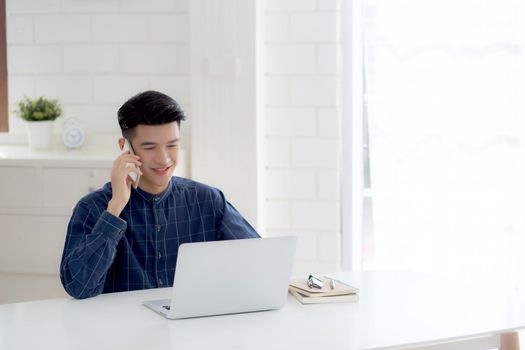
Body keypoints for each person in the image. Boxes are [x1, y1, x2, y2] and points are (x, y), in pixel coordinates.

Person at [60, 90, 259, 299]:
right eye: (149, 147)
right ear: (125, 148)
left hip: (191, 328)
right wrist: (115, 207)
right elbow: (78, 288)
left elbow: (259, 261)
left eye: (172, 145)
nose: (163, 159)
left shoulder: (208, 200)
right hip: (121, 329)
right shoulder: (94, 207)